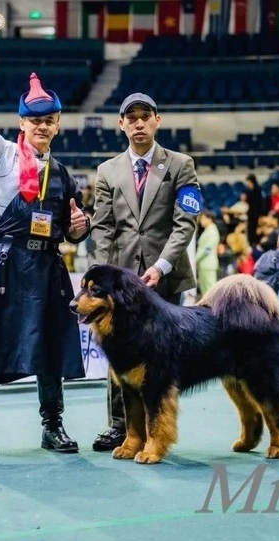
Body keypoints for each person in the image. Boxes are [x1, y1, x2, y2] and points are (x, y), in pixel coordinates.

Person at [0, 52, 91, 458]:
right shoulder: (1, 155)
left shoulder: (64, 174)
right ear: (22, 124)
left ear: (58, 124)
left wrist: (78, 232)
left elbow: (69, 226)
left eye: (49, 120)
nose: (42, 126)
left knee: (50, 347)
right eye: (35, 121)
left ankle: (53, 427)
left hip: (48, 267)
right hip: (5, 265)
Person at [88, 92, 202, 452]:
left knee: (161, 362)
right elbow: (104, 227)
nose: (138, 123)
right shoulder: (107, 171)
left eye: (145, 116)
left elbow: (186, 223)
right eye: (131, 117)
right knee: (117, 355)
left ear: (157, 121)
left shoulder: (182, 164)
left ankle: (157, 432)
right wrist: (107, 279)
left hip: (164, 278)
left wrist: (160, 266)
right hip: (121, 286)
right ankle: (120, 426)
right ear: (121, 124)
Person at [196, 210, 220, 296]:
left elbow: (207, 249)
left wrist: (195, 259)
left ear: (209, 219)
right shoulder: (208, 230)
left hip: (208, 263)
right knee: (205, 290)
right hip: (204, 263)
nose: (200, 221)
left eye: (202, 218)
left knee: (210, 289)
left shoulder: (212, 231)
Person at [244, 173, 267, 246]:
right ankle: (251, 243)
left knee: (255, 230)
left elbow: (259, 203)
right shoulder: (248, 191)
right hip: (251, 213)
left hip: (257, 213)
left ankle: (255, 243)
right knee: (250, 230)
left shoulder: (258, 190)